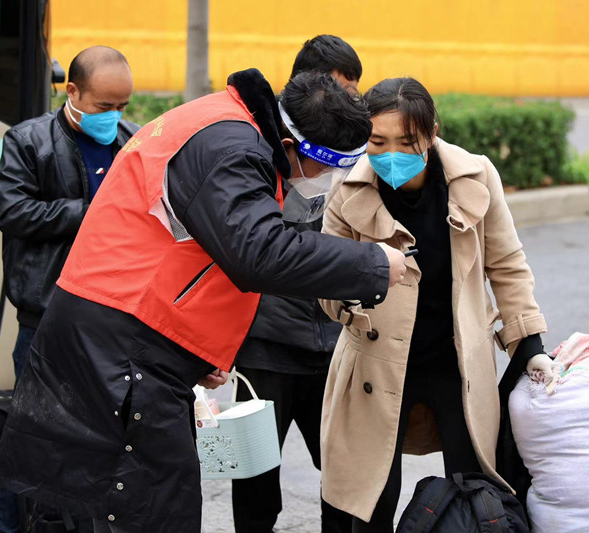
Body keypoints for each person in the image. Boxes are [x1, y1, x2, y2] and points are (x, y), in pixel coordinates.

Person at [0, 68, 407, 533]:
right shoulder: (233, 148)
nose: (327, 181)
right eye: (327, 168)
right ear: (291, 147)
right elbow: (257, 252)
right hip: (119, 347)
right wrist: (371, 263)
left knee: (135, 502)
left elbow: (193, 253)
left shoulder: (227, 126)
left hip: (125, 334)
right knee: (146, 509)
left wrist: (197, 352)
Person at [317, 77, 557, 532]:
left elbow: (506, 264)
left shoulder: (475, 177)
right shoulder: (347, 189)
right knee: (368, 500)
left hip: (457, 361)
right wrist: (362, 275)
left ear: (431, 133)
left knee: (473, 495)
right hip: (376, 363)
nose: (391, 154)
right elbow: (327, 290)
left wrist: (530, 345)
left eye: (406, 142)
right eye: (377, 141)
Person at [0, 45, 138, 533]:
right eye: (103, 107)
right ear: (72, 91)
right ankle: (15, 526)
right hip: (44, 316)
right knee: (30, 438)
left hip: (112, 319)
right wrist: (90, 210)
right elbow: (14, 212)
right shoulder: (28, 140)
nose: (114, 118)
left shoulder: (133, 142)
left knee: (100, 440)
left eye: (122, 107)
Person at [230, 35, 361, 533]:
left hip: (332, 342)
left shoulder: (352, 143)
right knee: (256, 474)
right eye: (342, 91)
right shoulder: (264, 149)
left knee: (343, 471)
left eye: (354, 92)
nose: (350, 103)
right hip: (266, 344)